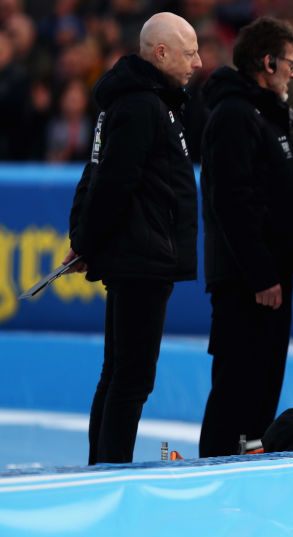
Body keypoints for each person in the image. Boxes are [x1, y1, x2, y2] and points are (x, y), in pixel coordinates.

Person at [63, 12, 201, 464]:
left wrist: (85, 239)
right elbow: (111, 182)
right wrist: (86, 240)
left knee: (119, 373)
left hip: (139, 253)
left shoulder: (140, 101)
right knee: (131, 378)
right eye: (189, 52)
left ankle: (101, 467)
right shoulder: (142, 105)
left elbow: (97, 174)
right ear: (160, 53)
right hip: (142, 257)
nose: (198, 62)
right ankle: (109, 471)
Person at [198, 16, 293, 458]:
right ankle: (214, 474)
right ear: (267, 63)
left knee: (262, 389)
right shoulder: (234, 115)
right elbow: (233, 201)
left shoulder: (264, 114)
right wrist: (261, 273)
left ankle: (245, 474)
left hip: (269, 276)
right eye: (289, 62)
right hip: (248, 281)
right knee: (237, 388)